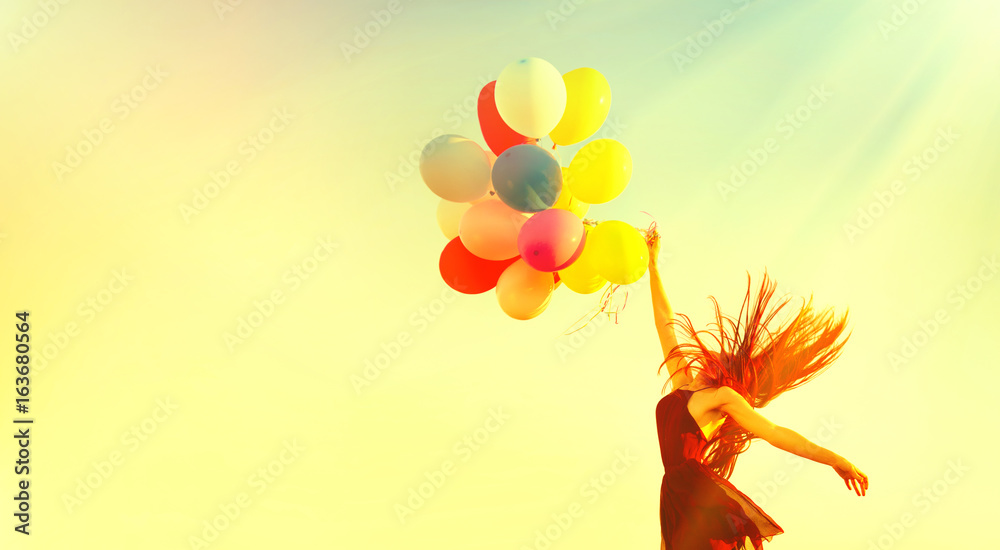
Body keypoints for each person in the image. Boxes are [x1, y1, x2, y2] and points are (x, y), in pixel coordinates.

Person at [645, 228, 869, 549]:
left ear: (727, 372)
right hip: (673, 491)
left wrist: (834, 459)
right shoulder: (683, 383)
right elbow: (664, 322)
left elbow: (774, 432)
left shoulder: (721, 398)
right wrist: (653, 265)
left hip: (695, 493)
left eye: (725, 360)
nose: (717, 356)